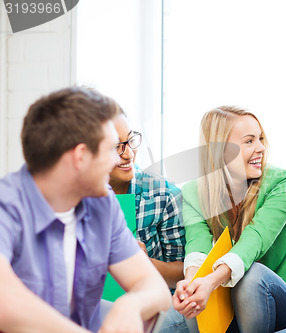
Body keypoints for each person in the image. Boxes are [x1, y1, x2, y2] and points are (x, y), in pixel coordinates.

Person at [0, 87, 171, 333]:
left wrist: (130, 306)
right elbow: (5, 302)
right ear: (81, 156)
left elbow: (154, 289)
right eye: (110, 149)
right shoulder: (6, 205)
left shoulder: (103, 205)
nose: (117, 160)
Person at [173, 106, 286, 332]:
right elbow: (197, 245)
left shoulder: (282, 183)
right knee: (194, 297)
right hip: (234, 305)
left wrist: (211, 281)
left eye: (260, 139)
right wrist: (192, 284)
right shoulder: (193, 192)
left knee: (252, 276)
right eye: (249, 141)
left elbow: (255, 239)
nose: (261, 148)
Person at [108, 111, 188, 333]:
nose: (129, 154)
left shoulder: (162, 193)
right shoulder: (75, 196)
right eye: (116, 146)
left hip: (157, 307)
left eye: (131, 140)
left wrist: (144, 263)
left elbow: (184, 272)